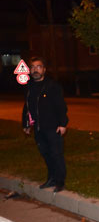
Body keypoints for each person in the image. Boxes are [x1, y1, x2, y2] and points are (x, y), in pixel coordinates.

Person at [21, 56, 68, 192]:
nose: (35, 70)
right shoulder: (29, 87)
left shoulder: (52, 86)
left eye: (39, 67)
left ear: (44, 70)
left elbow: (61, 106)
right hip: (38, 128)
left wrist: (63, 124)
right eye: (33, 67)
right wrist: (26, 124)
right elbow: (27, 106)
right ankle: (51, 178)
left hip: (53, 127)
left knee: (56, 154)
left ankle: (60, 181)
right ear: (29, 70)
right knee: (46, 154)